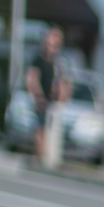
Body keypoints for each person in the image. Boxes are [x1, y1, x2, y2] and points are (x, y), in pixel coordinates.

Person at [24, 26, 73, 167]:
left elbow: (66, 81)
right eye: (50, 39)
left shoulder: (61, 62)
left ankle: (51, 158)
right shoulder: (39, 59)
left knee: (53, 130)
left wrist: (64, 97)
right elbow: (32, 78)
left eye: (55, 40)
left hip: (56, 102)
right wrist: (38, 95)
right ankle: (40, 156)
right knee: (40, 128)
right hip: (42, 100)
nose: (51, 44)